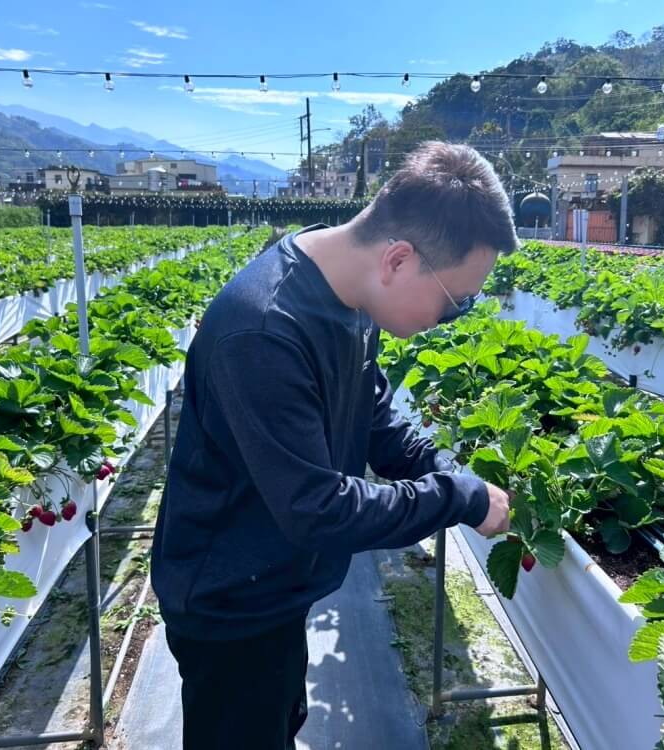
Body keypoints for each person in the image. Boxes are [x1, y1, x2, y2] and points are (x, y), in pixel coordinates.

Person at [151, 140, 519, 750]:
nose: (455, 316)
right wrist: (456, 497)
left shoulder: (348, 294)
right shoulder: (263, 332)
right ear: (399, 260)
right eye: (456, 301)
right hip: (230, 604)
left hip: (274, 582)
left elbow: (370, 408)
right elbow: (317, 509)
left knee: (278, 722)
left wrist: (438, 466)